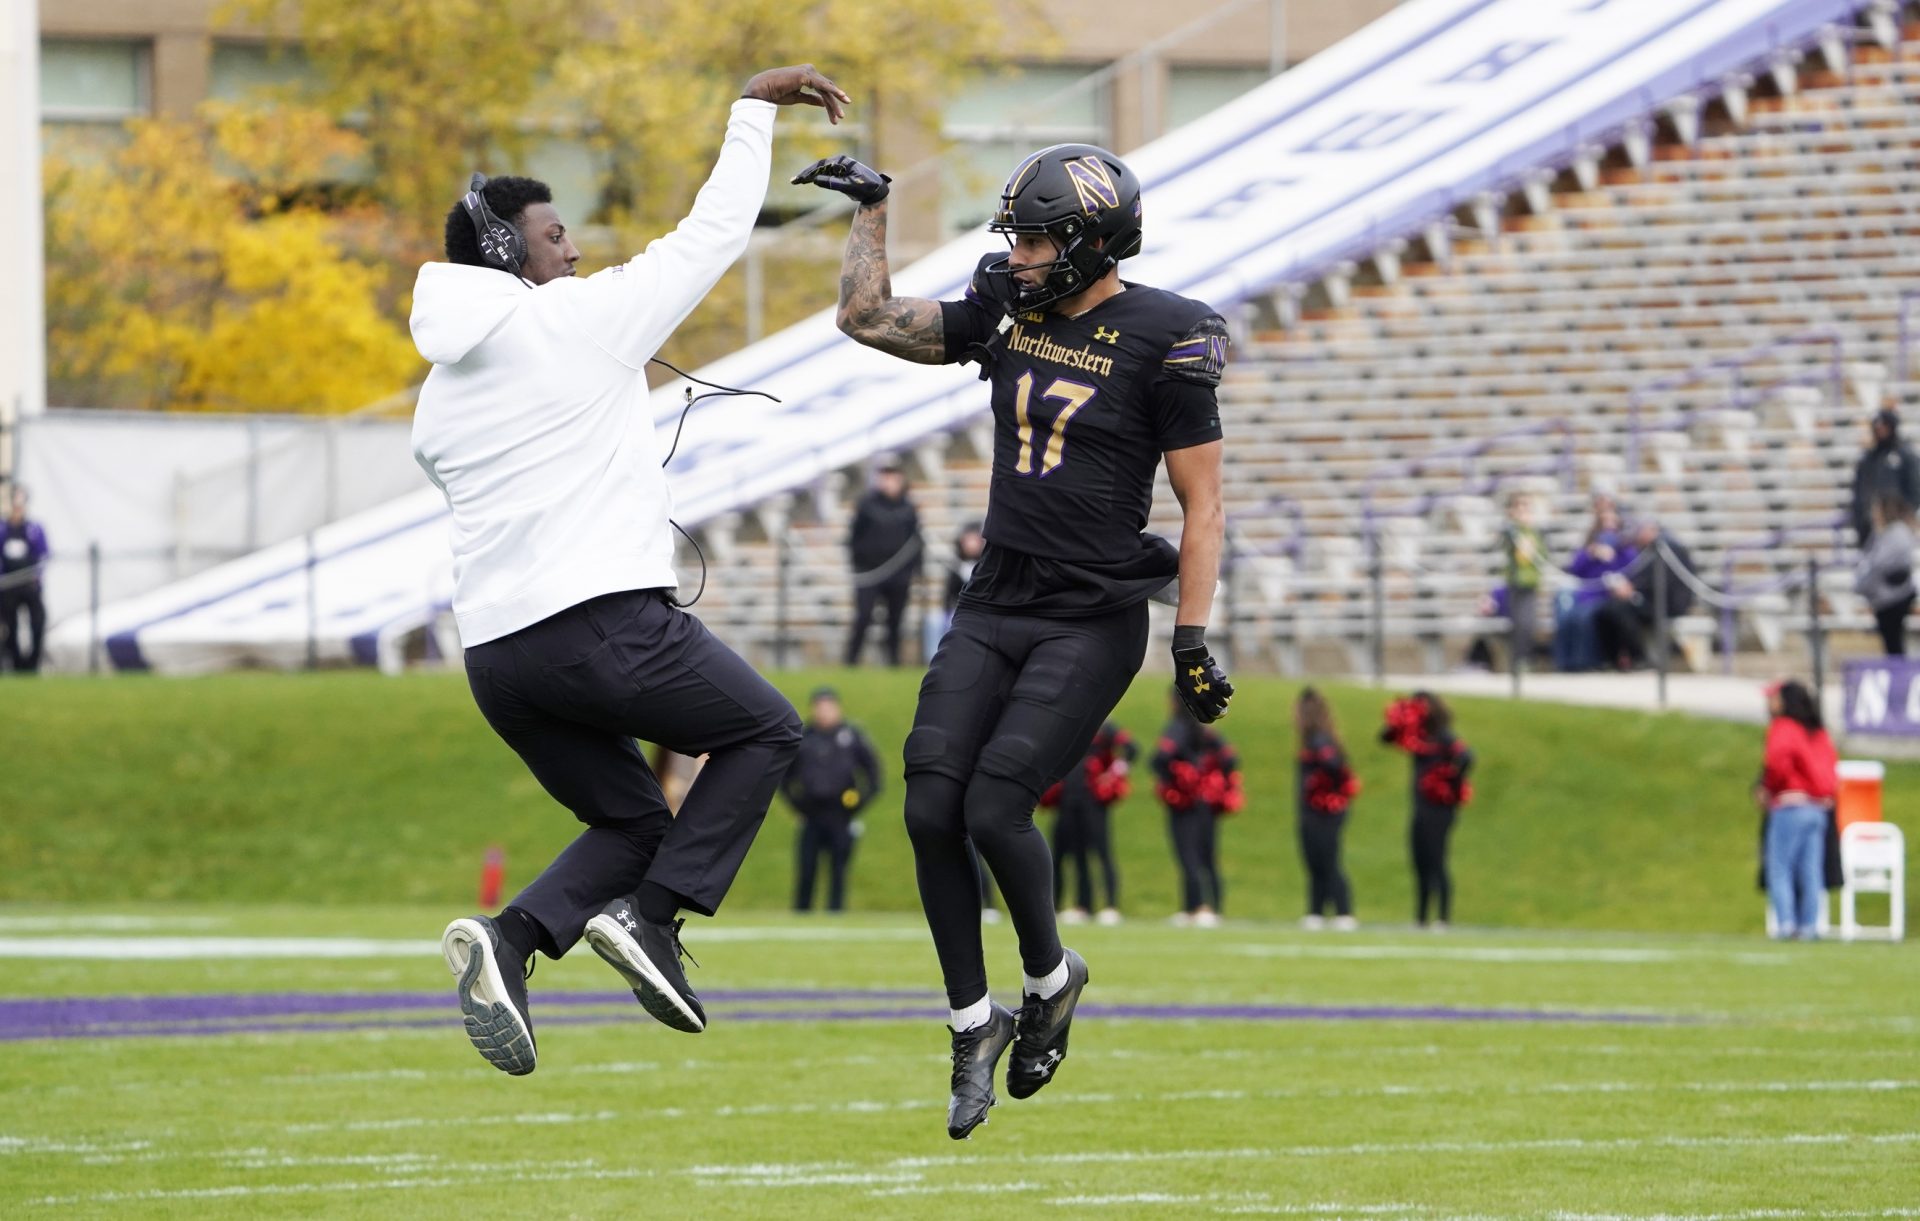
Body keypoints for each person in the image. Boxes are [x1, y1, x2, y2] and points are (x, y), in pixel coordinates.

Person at [411, 65, 849, 1076]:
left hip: (497, 659)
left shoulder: (441, 388)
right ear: (507, 255)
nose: (575, 247)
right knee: (766, 730)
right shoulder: (578, 320)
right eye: (556, 235)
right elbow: (712, 232)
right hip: (596, 626)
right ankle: (654, 923)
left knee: (633, 818)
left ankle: (511, 942)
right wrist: (751, 109)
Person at [799, 141, 1233, 1138]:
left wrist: (1194, 640)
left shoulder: (1170, 333)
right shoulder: (1010, 305)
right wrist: (872, 209)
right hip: (997, 600)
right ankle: (970, 1024)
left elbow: (1201, 506)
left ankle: (1049, 979)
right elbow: (866, 317)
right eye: (1021, 240)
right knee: (926, 802)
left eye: (1039, 239)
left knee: (997, 806)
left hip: (1090, 614)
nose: (1022, 256)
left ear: (1090, 240)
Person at [782, 687, 881, 913]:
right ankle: (801, 914)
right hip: (811, 814)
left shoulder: (852, 736)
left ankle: (836, 913)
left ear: (837, 708)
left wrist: (857, 804)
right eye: (819, 707)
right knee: (807, 869)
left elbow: (873, 774)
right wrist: (798, 805)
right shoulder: (803, 737)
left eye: (828, 707)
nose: (824, 712)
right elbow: (784, 778)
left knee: (839, 870)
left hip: (840, 814)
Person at [1381, 692, 1474, 930]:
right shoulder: (1418, 739)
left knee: (1436, 860)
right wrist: (1399, 719)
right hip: (1420, 807)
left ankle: (1442, 918)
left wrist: (1448, 783)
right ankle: (1421, 918)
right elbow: (1385, 738)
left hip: (1439, 809)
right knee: (1419, 860)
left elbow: (1466, 757)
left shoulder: (1443, 737)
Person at [1755, 680, 1838, 940]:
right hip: (1818, 809)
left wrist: (1767, 788)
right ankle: (1810, 926)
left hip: (1790, 806)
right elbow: (1830, 772)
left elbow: (1778, 764)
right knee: (1810, 870)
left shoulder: (1783, 728)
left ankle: (1787, 924)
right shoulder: (1819, 732)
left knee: (1780, 869)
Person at [1153, 692, 1243, 927]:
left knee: (1188, 855)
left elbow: (1160, 758)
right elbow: (1230, 758)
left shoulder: (1177, 727)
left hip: (1184, 803)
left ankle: (1195, 907)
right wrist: (1213, 779)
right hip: (1206, 802)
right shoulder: (1205, 727)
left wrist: (1179, 776)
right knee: (1207, 856)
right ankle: (1212, 908)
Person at [1040, 720, 1136, 925]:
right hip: (1067, 801)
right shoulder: (1067, 724)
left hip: (1093, 802)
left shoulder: (1105, 728)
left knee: (1102, 853)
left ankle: (1111, 906)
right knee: (1071, 855)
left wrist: (1116, 772)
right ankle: (1080, 905)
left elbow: (1131, 748)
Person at [845, 456, 923, 666]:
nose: (889, 482)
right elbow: (854, 538)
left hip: (899, 575)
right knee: (863, 617)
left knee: (895, 621)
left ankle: (893, 662)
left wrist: (915, 570)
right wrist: (860, 564)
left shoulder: (908, 508)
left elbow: (917, 541)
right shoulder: (866, 505)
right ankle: (851, 661)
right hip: (869, 573)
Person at [1593, 519, 1697, 671]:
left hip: (1666, 603)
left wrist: (1633, 588)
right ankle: (1610, 659)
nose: (1638, 535)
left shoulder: (1668, 548)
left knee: (1620, 610)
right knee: (1605, 609)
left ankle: (1640, 658)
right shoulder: (1648, 550)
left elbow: (1664, 581)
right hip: (1647, 599)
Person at [1296, 687, 1359, 930]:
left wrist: (1318, 789)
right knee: (1317, 860)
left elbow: (1333, 766)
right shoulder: (1318, 739)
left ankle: (1343, 911)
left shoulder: (1320, 741)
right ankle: (1317, 911)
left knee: (1327, 859)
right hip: (1318, 811)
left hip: (1322, 812)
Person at [1553, 494, 1634, 672]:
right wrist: (1591, 554)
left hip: (1606, 596)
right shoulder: (1591, 544)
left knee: (1584, 617)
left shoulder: (1625, 547)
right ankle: (1565, 663)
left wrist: (1614, 560)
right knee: (1567, 616)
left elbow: (1631, 571)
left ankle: (1586, 662)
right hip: (1586, 594)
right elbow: (1575, 569)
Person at [1854, 491, 1917, 656]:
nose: (1873, 514)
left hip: (1894, 598)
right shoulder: (1881, 534)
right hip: (1884, 599)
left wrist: (1865, 583)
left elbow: (1879, 565)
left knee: (1894, 645)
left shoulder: (1897, 533)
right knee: (1891, 645)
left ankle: (1900, 678)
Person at [1850, 408, 1920, 546]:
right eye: (1878, 428)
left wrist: (1903, 515)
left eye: (1884, 427)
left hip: (1899, 524)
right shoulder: (1868, 459)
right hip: (1871, 528)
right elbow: (1859, 492)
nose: (1881, 431)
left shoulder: (1905, 455)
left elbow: (1915, 488)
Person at [0, 487, 50, 674]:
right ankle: (16, 664)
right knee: (9, 626)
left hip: (29, 585)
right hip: (7, 588)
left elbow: (43, 555)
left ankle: (32, 664)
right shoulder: (3, 529)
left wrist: (36, 576)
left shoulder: (34, 529)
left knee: (38, 621)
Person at [1498, 490, 1546, 669]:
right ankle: (1518, 661)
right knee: (1517, 623)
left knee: (1527, 623)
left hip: (1530, 583)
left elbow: (1542, 556)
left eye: (1525, 506)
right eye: (1518, 506)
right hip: (1514, 582)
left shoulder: (1535, 533)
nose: (1522, 510)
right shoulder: (1511, 531)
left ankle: (1525, 659)